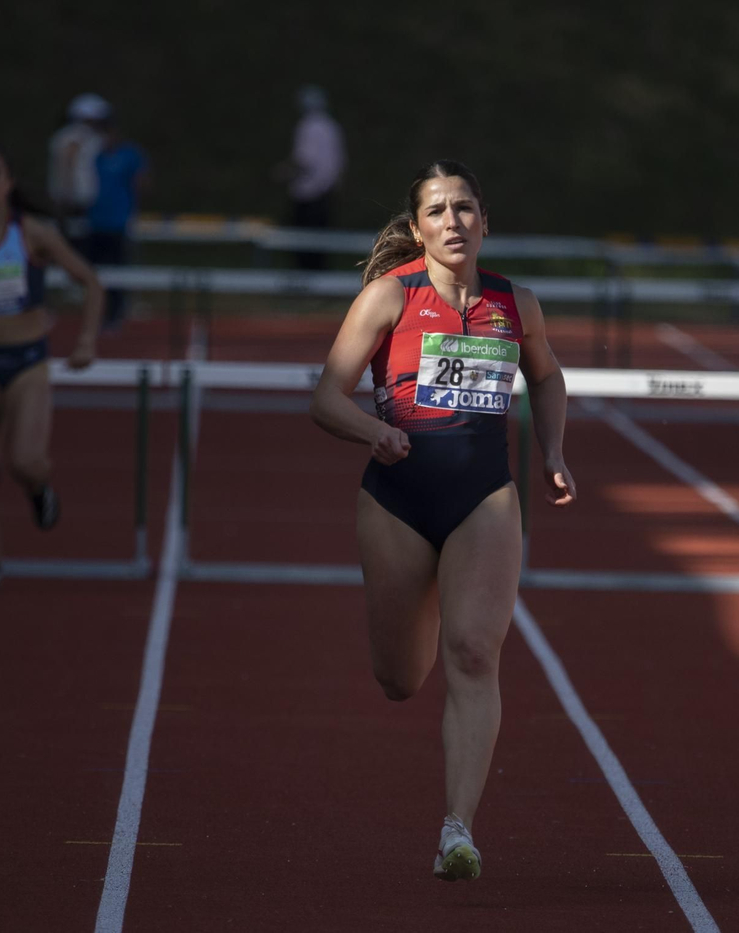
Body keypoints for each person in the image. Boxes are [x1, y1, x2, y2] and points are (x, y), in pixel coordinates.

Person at [309, 160, 575, 880]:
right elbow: (326, 396)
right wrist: (373, 433)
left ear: (484, 222)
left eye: (464, 208)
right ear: (418, 228)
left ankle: (457, 829)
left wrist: (551, 451)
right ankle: (421, 615)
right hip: (397, 497)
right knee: (400, 677)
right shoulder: (387, 298)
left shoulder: (516, 304)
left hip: (485, 495)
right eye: (438, 211)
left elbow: (546, 376)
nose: (452, 221)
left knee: (473, 653)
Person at [0, 145, 103, 592]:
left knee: (25, 461)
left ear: (9, 182)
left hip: (27, 361)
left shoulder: (32, 234)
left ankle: (38, 490)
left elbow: (91, 282)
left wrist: (86, 340)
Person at [85, 111, 149, 331]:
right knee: (95, 272)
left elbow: (139, 182)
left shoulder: (129, 155)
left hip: (119, 223)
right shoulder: (94, 156)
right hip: (95, 222)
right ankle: (98, 313)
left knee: (118, 270)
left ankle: (116, 313)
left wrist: (134, 211)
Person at [273, 85, 346, 271]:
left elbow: (305, 161)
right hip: (326, 191)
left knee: (303, 240)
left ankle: (304, 280)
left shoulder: (308, 126)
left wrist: (284, 172)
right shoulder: (332, 126)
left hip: (308, 193)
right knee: (320, 240)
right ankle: (318, 280)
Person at [47, 93, 109, 234]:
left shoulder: (68, 134)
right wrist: (67, 194)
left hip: (74, 200)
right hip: (75, 201)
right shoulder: (77, 134)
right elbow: (68, 161)